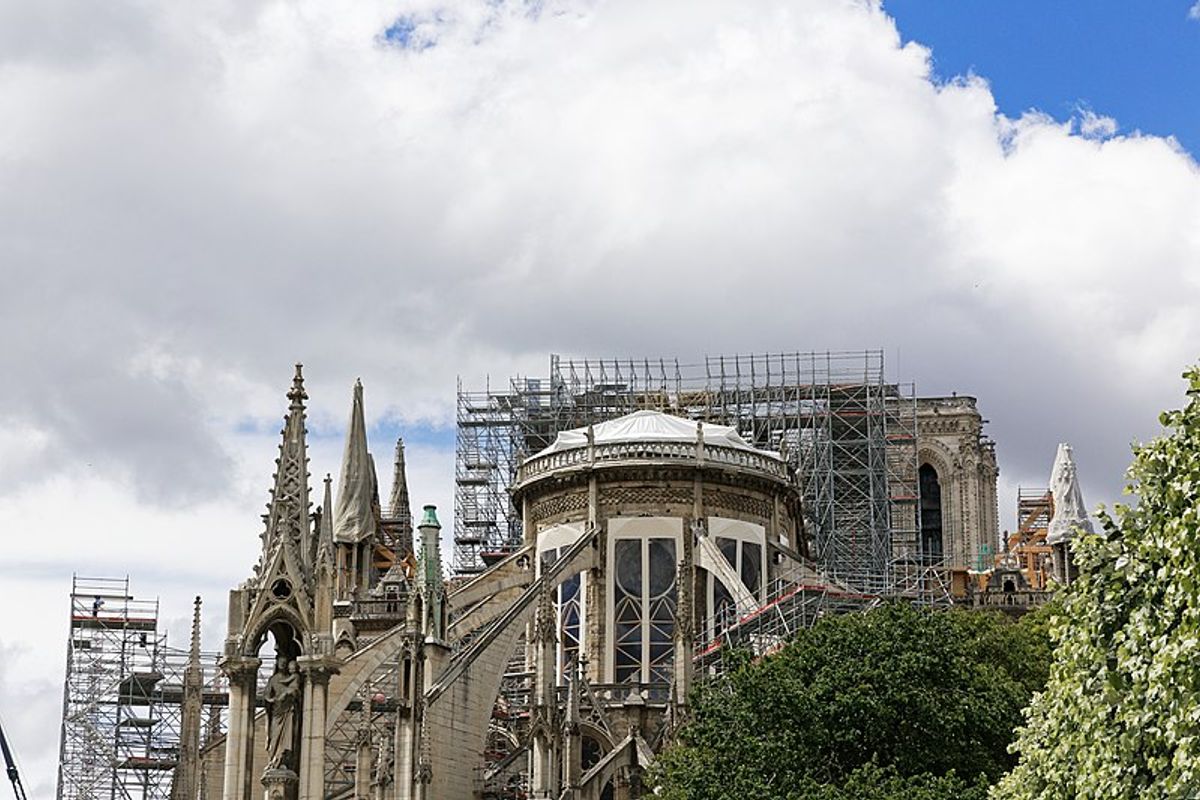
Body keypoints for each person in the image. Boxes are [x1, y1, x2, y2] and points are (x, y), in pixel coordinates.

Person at [263, 659, 301, 770]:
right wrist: (274, 700)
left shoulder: (294, 678)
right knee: (275, 738)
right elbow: (266, 696)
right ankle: (273, 759)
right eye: (281, 662)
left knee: (288, 737)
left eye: (285, 663)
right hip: (277, 711)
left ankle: (283, 760)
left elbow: (297, 692)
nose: (283, 664)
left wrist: (290, 693)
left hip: (289, 710)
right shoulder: (273, 679)